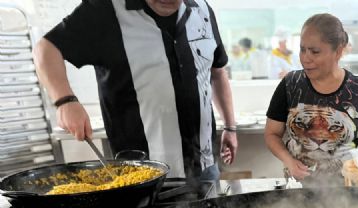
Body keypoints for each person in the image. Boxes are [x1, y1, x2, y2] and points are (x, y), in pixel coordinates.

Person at [33, 0, 238, 184]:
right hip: (142, 176)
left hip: (205, 167)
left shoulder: (202, 10)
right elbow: (46, 48)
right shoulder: (105, 10)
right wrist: (65, 101)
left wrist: (230, 126)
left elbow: (217, 73)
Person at [264, 13, 358, 186]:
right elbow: (271, 134)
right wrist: (289, 162)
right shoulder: (290, 85)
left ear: (338, 51)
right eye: (302, 49)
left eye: (315, 51)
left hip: (345, 188)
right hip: (297, 188)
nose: (306, 58)